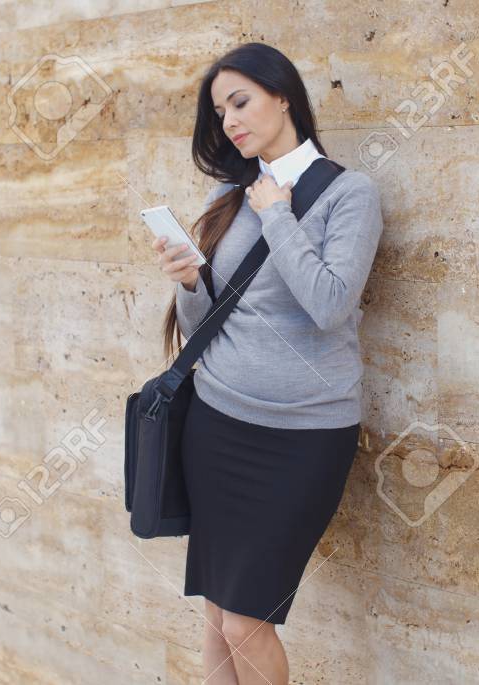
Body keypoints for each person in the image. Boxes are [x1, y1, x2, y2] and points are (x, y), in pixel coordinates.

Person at [150, 42, 385, 685]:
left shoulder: (349, 194)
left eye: (240, 101)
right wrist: (189, 283)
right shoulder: (233, 194)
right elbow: (207, 327)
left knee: (246, 624)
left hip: (303, 436)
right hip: (218, 426)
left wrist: (279, 217)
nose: (229, 120)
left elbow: (330, 305)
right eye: (220, 110)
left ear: (283, 95)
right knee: (217, 616)